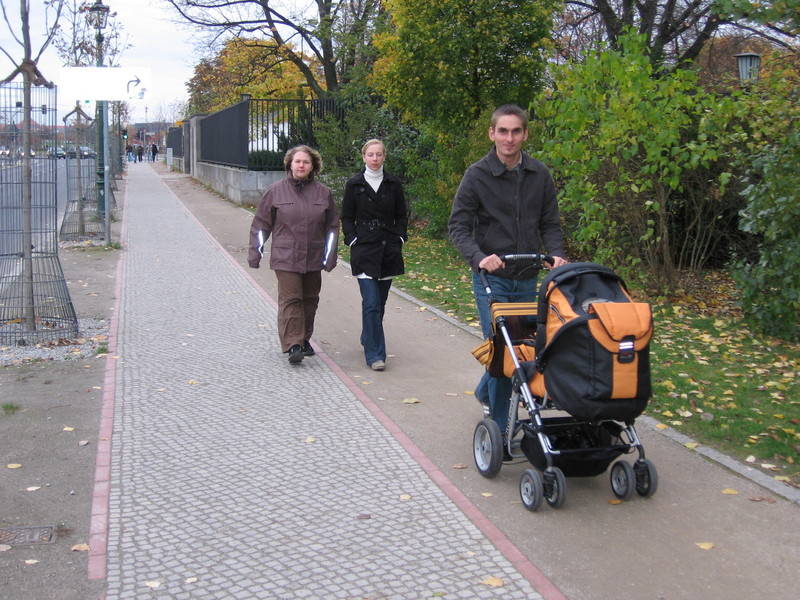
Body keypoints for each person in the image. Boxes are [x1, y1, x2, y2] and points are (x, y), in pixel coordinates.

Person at [448, 104, 567, 455]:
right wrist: (479, 257)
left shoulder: (539, 174)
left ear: (525, 134)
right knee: (505, 353)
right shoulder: (477, 175)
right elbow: (458, 227)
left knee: (522, 349)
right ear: (492, 133)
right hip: (493, 279)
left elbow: (550, 223)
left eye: (516, 131)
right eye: (503, 131)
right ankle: (501, 431)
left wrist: (556, 254)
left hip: (527, 277)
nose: (509, 138)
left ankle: (484, 392)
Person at [248, 145, 339, 364]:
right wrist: (255, 253)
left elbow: (332, 227)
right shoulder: (275, 191)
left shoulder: (323, 193)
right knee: (291, 298)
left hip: (313, 256)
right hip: (285, 257)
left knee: (310, 299)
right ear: (290, 164)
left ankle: (304, 338)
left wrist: (330, 255)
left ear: (313, 166)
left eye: (306, 162)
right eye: (297, 161)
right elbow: (261, 225)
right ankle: (293, 344)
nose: (301, 165)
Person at [341, 139, 408, 371]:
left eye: (379, 154)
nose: (375, 159)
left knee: (380, 303)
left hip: (388, 250)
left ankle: (367, 336)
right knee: (371, 303)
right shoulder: (354, 184)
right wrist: (352, 238)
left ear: (384, 157)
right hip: (364, 250)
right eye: (371, 154)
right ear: (364, 157)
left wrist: (400, 237)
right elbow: (347, 216)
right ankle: (375, 355)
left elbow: (402, 215)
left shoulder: (393, 184)